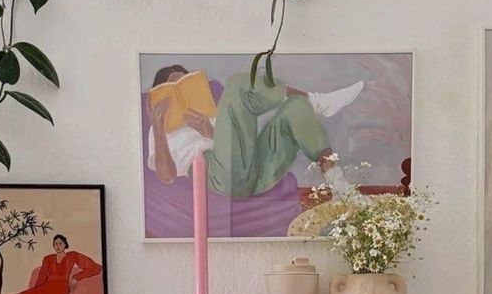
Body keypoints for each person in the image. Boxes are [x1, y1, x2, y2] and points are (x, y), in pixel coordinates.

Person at [147, 64, 364, 198]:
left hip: (256, 174)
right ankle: (318, 101)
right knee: (237, 85)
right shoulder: (160, 130)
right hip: (220, 175)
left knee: (296, 108)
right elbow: (166, 177)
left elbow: (235, 146)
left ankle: (341, 187)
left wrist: (209, 130)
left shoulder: (210, 114)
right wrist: (158, 128)